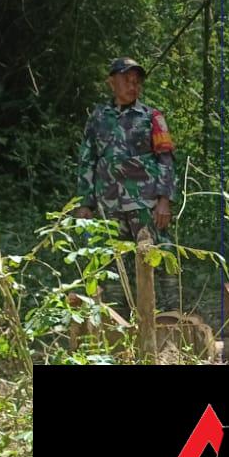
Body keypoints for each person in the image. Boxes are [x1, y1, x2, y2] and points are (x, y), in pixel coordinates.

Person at [74, 58, 180, 316]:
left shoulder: (152, 117)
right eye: (127, 81)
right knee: (111, 259)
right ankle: (116, 317)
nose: (133, 86)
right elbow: (88, 158)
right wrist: (85, 202)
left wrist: (164, 200)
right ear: (112, 82)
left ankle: (170, 312)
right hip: (108, 203)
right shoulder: (99, 117)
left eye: (137, 82)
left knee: (158, 253)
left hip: (145, 201)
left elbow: (166, 159)